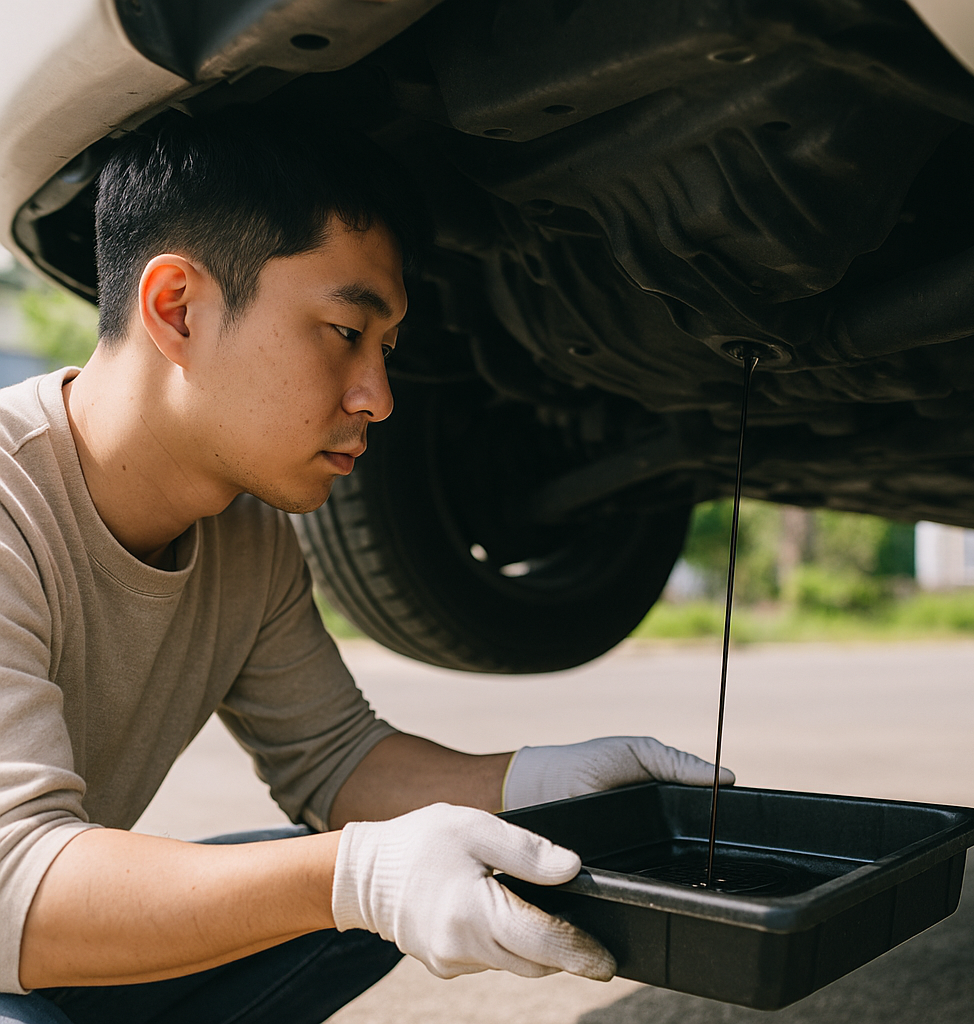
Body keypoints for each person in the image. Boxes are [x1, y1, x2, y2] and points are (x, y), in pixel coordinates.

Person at [0, 111, 733, 1024]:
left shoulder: (245, 534)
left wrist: (533, 785)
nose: (378, 398)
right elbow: (11, 893)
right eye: (346, 330)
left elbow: (335, 760)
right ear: (176, 308)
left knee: (330, 903)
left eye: (386, 349)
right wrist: (355, 875)